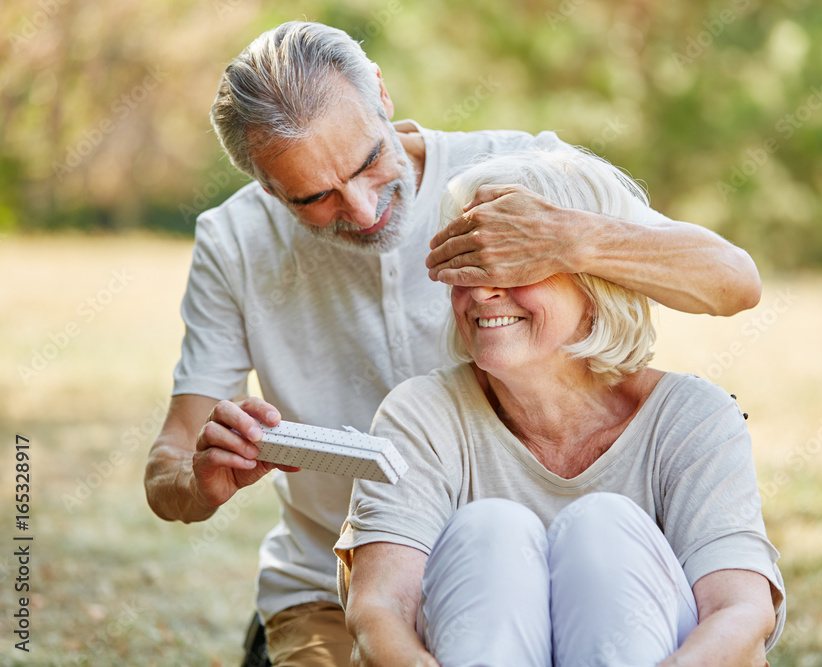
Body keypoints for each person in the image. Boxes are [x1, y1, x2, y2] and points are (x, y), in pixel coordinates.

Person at [142, 20, 765, 666]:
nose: (362, 210)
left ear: (380, 93)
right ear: (266, 188)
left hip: (571, 572)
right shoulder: (235, 242)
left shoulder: (519, 175)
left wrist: (566, 240)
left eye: (367, 161)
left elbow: (735, 283)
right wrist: (200, 479)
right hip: (342, 583)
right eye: (316, 197)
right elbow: (169, 465)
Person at [335, 147, 785, 667]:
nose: (481, 290)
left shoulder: (693, 417)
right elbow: (379, 609)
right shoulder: (420, 415)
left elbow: (742, 612)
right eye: (469, 260)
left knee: (603, 527)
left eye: (513, 263)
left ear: (595, 283)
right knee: (491, 530)